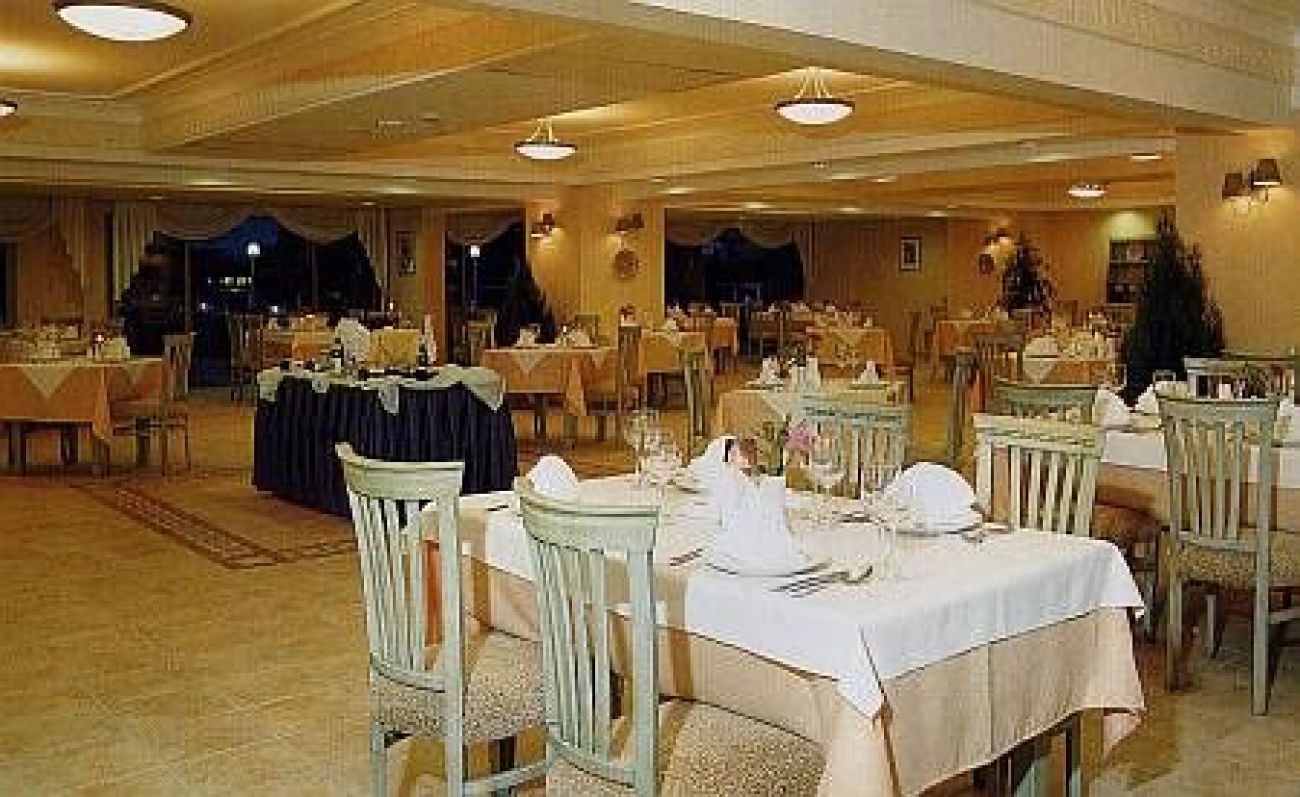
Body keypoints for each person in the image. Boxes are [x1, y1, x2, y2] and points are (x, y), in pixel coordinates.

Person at [120, 244, 183, 355]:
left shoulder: (168, 280)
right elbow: (129, 301)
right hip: (143, 335)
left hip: (158, 335)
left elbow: (172, 307)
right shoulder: (140, 279)